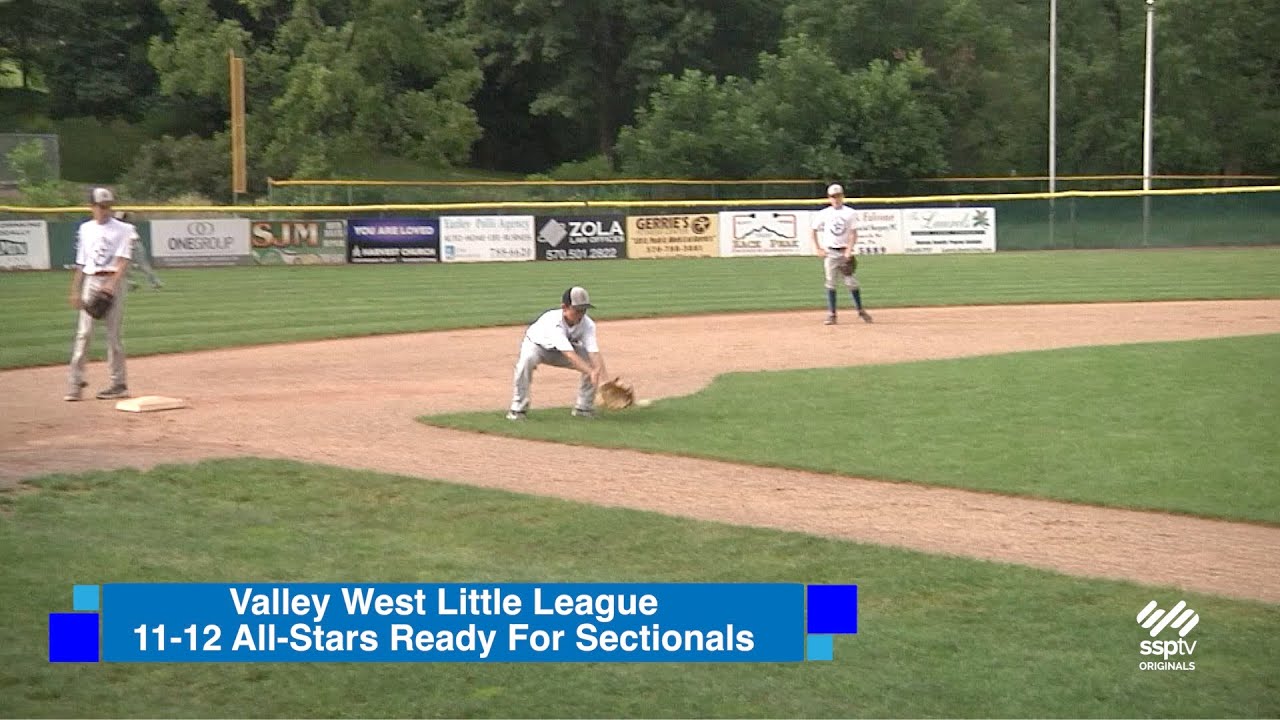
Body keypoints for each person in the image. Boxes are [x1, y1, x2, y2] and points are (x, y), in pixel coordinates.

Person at [64, 187, 134, 401]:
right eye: (100, 207)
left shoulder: (124, 229)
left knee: (113, 336)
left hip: (113, 281)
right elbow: (82, 262)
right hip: (91, 281)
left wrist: (112, 283)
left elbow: (123, 260)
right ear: (91, 207)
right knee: (83, 334)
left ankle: (118, 383)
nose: (105, 210)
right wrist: (75, 289)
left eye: (108, 206)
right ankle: (75, 383)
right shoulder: (85, 229)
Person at [506, 286, 608, 420]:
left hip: (562, 350)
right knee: (526, 361)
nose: (581, 314)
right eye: (577, 310)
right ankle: (517, 409)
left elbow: (594, 352)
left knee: (592, 364)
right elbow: (569, 354)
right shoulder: (553, 322)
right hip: (536, 347)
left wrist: (606, 382)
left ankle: (583, 408)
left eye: (584, 310)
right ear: (564, 307)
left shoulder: (588, 324)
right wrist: (591, 372)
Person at [810, 183, 872, 325]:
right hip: (830, 252)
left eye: (838, 196)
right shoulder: (824, 213)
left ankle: (860, 311)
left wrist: (849, 250)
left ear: (842, 196)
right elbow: (813, 230)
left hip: (844, 252)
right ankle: (832, 314)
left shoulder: (850, 213)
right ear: (829, 198)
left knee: (852, 283)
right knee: (831, 282)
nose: (836, 199)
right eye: (833, 196)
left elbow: (853, 233)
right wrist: (818, 248)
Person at [118, 211, 163, 291]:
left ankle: (155, 282)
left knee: (142, 266)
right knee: (124, 267)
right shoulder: (123, 226)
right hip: (130, 246)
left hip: (134, 245)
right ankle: (131, 284)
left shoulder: (125, 226)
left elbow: (131, 239)